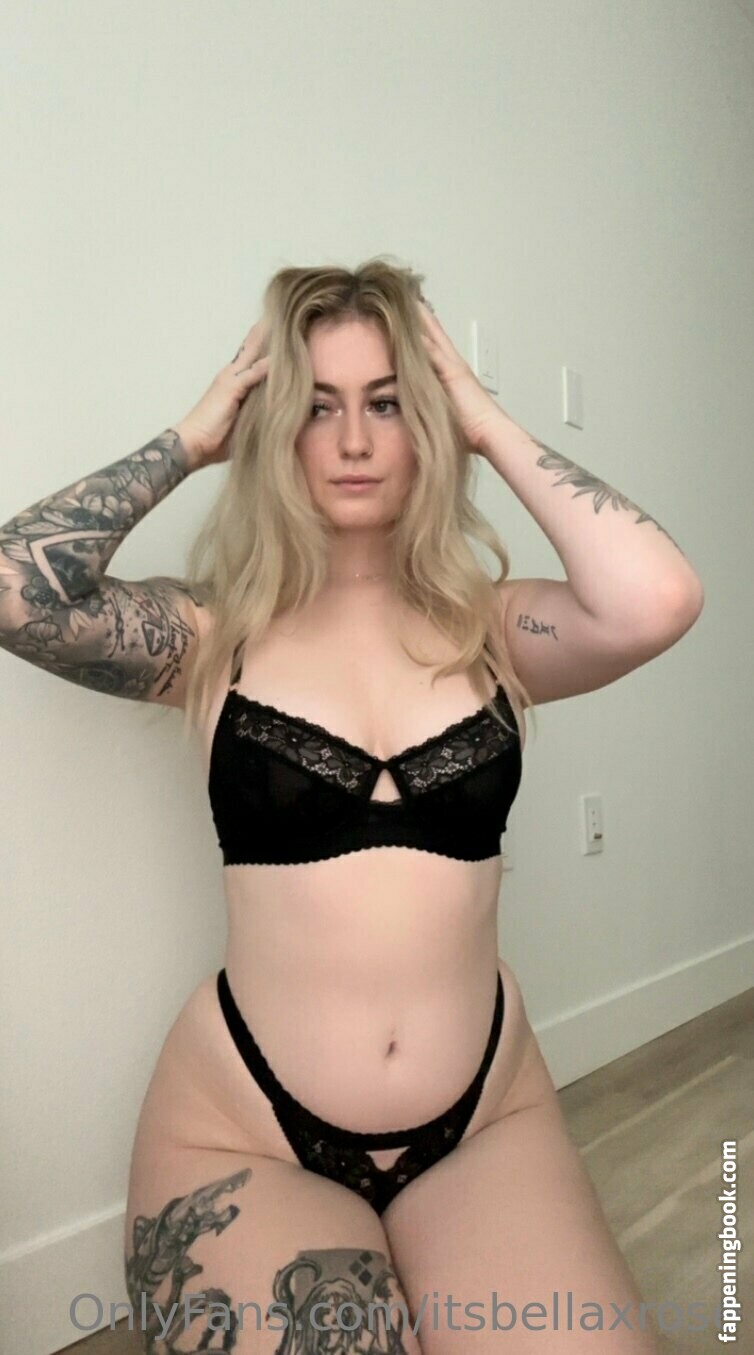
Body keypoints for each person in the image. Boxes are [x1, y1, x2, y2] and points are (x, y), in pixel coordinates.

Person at [0, 258, 703, 1353]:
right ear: (273, 426)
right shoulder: (211, 636)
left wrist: (482, 418)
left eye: (387, 402)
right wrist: (192, 437)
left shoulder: (494, 631)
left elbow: (658, 597)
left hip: (484, 1115)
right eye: (317, 407)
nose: (355, 440)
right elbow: (14, 589)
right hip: (244, 1127)